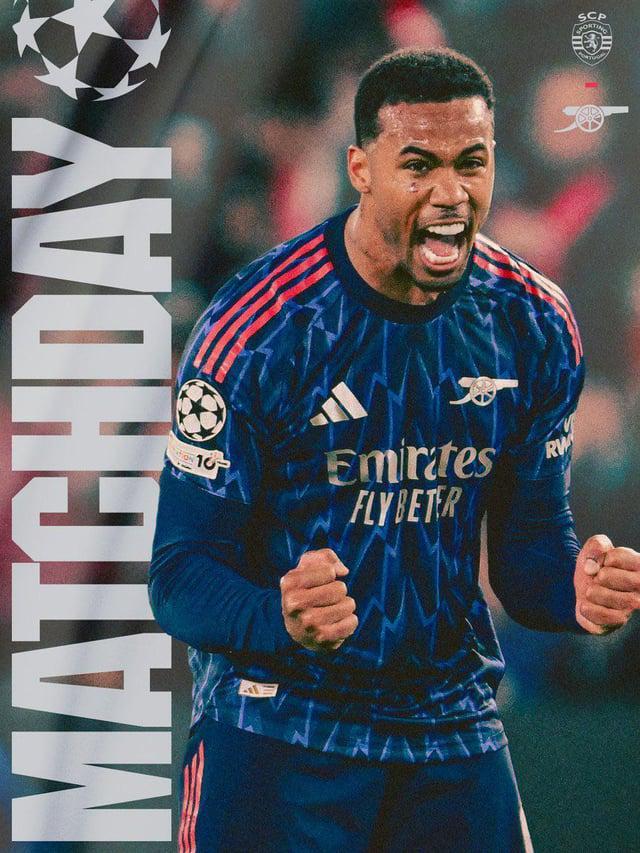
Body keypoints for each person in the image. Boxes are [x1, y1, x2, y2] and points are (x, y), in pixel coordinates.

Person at [149, 49, 640, 852]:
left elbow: (527, 558)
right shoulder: (261, 330)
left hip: (451, 731)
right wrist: (277, 615)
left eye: (471, 163)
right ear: (360, 169)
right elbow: (178, 574)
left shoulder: (532, 322)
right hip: (279, 729)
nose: (451, 192)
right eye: (419, 165)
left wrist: (574, 590)